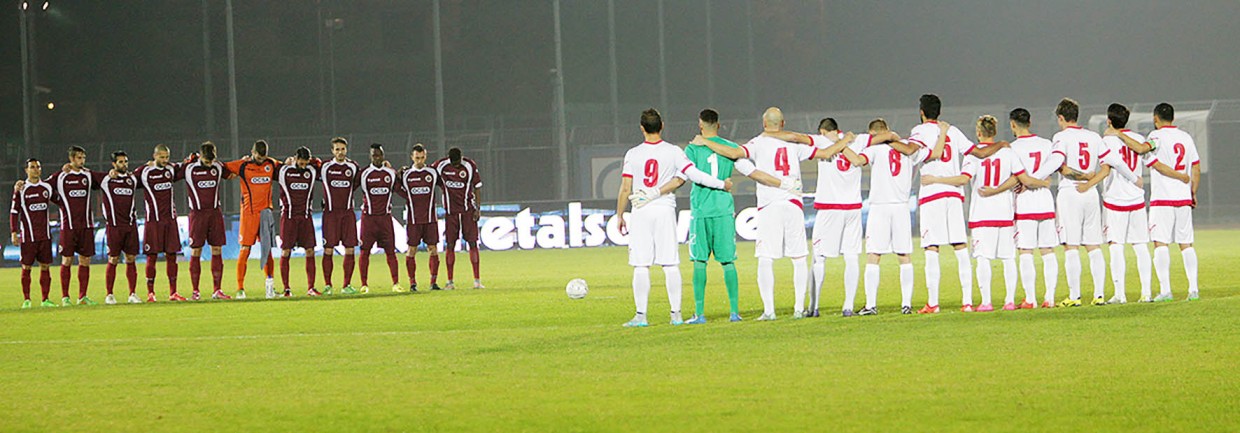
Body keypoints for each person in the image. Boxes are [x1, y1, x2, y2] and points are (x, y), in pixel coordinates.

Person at [696, 107, 855, 320]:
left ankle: (769, 311)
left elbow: (734, 153)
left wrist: (705, 141)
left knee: (765, 258)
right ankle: (799, 308)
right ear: (783, 123)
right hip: (793, 202)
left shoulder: (757, 143)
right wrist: (847, 140)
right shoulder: (794, 144)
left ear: (764, 124)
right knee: (798, 258)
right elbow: (826, 153)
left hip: (770, 203)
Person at [654, 108, 786, 324]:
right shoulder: (731, 148)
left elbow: (683, 176)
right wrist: (781, 183)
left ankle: (699, 314)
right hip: (724, 210)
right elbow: (750, 171)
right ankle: (734, 313)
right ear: (719, 124)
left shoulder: (693, 149)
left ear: (700, 125)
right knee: (728, 262)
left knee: (699, 261)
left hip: (701, 210)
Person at [617, 108, 732, 327]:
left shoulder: (633, 154)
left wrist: (620, 215)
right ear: (662, 126)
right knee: (670, 264)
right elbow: (693, 175)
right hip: (664, 209)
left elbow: (625, 188)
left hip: (641, 210)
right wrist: (721, 184)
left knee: (641, 265)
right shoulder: (674, 151)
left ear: (642, 128)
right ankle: (676, 314)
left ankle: (641, 316)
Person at [924, 116, 1048, 311]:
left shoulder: (973, 155)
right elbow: (1018, 178)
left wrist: (935, 179)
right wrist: (999, 189)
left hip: (982, 213)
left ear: (979, 133)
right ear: (995, 132)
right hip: (1005, 212)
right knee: (1008, 258)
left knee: (983, 258)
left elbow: (963, 179)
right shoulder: (1008, 152)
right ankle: (1009, 301)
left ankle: (986, 301)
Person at [1108, 102, 1199, 301]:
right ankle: (1193, 289)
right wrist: (1192, 190)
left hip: (1163, 199)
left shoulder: (1155, 137)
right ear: (1173, 118)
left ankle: (1165, 290)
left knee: (1161, 244)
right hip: (1183, 198)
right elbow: (1196, 167)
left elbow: (1142, 151)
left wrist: (1119, 134)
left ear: (1156, 119)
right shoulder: (1186, 138)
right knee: (1186, 244)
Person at [1051, 98, 1135, 307]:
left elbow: (1062, 168)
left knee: (1071, 246)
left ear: (1061, 118)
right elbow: (1106, 168)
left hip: (1070, 193)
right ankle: (1098, 295)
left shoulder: (1060, 137)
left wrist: (1082, 180)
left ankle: (1074, 296)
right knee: (1093, 246)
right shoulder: (1093, 136)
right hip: (1090, 196)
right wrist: (1091, 183)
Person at [836, 119, 922, 315]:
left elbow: (857, 161)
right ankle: (906, 304)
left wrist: (839, 147)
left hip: (880, 206)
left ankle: (871, 305)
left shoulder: (874, 149)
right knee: (904, 255)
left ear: (873, 134)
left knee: (874, 254)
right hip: (901, 206)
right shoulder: (907, 149)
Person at [1008, 108, 1064, 308]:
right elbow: (1051, 171)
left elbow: (1014, 178)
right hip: (1045, 201)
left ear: (1013, 124)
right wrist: (1041, 182)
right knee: (1048, 251)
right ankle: (1049, 298)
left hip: (1024, 203)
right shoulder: (1047, 144)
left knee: (1026, 251)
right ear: (1030, 123)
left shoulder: (1012, 148)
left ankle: (1030, 299)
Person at [1099, 103, 1153, 304]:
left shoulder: (1107, 141)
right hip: (1136, 199)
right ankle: (1146, 293)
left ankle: (1120, 294)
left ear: (1109, 121)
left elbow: (1112, 166)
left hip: (1115, 199)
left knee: (1116, 246)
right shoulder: (1139, 139)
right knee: (1140, 246)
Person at [223, 140, 281, 299]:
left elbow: (287, 170)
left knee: (267, 251)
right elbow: (222, 169)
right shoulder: (243, 165)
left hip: (266, 214)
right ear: (252, 152)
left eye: (263, 158)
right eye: (258, 156)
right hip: (249, 214)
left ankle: (270, 288)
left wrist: (291, 162)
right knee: (245, 250)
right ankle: (240, 288)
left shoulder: (272, 164)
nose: (261, 160)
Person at [45, 146, 101, 306]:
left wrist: (113, 173)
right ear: (71, 159)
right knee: (67, 259)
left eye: (83, 158)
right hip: (68, 226)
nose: (82, 161)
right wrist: (21, 184)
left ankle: (82, 296)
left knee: (85, 260)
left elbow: (106, 180)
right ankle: (65, 297)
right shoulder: (61, 176)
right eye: (79, 158)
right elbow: (43, 187)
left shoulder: (88, 175)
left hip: (86, 225)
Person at [132, 144, 188, 302]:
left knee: (172, 255)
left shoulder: (170, 169)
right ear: (154, 156)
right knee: (152, 256)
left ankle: (173, 293)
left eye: (167, 157)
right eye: (161, 157)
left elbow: (184, 167)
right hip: (153, 221)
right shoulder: (145, 172)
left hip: (170, 220)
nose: (165, 160)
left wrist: (192, 159)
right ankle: (151, 293)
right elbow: (128, 179)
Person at [183, 142, 232, 300]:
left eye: (211, 161)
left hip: (215, 213)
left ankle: (217, 290)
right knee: (196, 250)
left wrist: (246, 161)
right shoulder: (190, 168)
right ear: (200, 155)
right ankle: (195, 291)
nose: (209, 164)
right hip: (197, 214)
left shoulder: (217, 167)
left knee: (217, 249)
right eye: (206, 161)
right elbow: (171, 170)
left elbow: (232, 172)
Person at [432, 147, 484, 289]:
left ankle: (477, 281)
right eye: (453, 163)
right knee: (450, 245)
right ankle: (450, 281)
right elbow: (428, 173)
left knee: (473, 243)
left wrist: (478, 208)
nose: (456, 165)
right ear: (449, 159)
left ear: (461, 158)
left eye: (458, 162)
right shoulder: (441, 165)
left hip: (467, 211)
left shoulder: (469, 166)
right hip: (451, 213)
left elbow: (478, 186)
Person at [318, 137, 361, 295]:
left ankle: (346, 285)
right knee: (328, 249)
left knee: (350, 249)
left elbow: (358, 182)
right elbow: (307, 166)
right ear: (332, 151)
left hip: (347, 213)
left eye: (342, 149)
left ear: (346, 150)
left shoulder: (353, 167)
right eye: (337, 149)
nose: (340, 152)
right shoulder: (325, 167)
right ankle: (328, 285)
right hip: (330, 214)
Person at [358, 143, 403, 294]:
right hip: (369, 219)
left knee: (391, 251)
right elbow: (349, 188)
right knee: (365, 251)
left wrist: (402, 176)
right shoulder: (364, 174)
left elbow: (400, 191)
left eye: (379, 155)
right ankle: (364, 284)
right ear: (370, 157)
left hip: (385, 218)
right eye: (374, 155)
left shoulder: (390, 173)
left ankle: (396, 283)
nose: (377, 158)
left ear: (383, 156)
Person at [276, 147, 321, 297]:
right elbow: (269, 166)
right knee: (286, 251)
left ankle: (311, 288)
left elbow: (320, 163)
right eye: (300, 163)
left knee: (310, 250)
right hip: (288, 217)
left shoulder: (312, 171)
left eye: (305, 163)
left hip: (306, 217)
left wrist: (312, 160)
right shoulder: (284, 171)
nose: (302, 167)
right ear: (295, 159)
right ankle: (287, 289)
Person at [10, 159, 55, 308]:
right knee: (26, 267)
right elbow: (14, 212)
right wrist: (14, 232)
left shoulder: (46, 187)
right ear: (26, 170)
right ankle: (27, 300)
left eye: (38, 167)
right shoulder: (21, 189)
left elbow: (60, 199)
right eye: (32, 167)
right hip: (28, 236)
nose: (35, 170)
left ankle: (45, 299)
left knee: (45, 267)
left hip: (45, 236)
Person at [400, 143, 442, 292]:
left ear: (426, 156)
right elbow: (398, 189)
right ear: (412, 157)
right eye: (417, 158)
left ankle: (433, 282)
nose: (419, 160)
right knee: (411, 250)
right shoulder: (406, 175)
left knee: (433, 249)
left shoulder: (432, 173)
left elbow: (445, 185)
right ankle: (412, 283)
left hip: (430, 219)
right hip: (413, 220)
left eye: (422, 157)